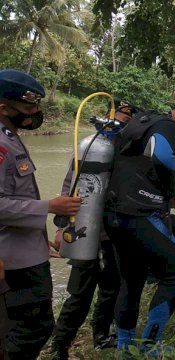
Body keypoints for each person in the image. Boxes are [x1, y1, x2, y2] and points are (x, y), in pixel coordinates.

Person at [102, 99, 175, 352]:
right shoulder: (167, 126)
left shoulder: (144, 123)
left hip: (115, 213)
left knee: (133, 277)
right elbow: (161, 154)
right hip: (138, 215)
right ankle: (150, 345)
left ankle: (124, 346)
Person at [0, 69, 82, 359]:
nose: (34, 113)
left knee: (34, 326)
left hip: (26, 251)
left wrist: (38, 239)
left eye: (36, 106)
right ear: (4, 108)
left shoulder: (10, 137)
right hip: (13, 263)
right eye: (27, 107)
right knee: (28, 331)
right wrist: (49, 206)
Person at [49, 99, 139, 360]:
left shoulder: (127, 150)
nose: (120, 126)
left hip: (113, 232)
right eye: (119, 120)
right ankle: (60, 346)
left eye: (126, 122)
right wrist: (61, 227)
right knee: (80, 293)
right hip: (84, 232)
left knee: (111, 287)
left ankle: (100, 335)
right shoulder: (89, 148)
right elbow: (70, 186)